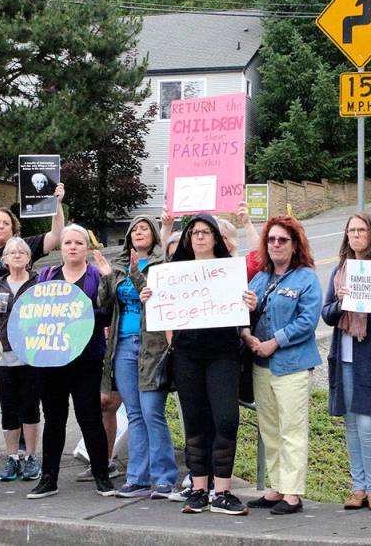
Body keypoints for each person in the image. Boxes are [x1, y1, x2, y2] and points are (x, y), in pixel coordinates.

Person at [140, 213, 247, 516]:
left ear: (216, 237)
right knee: (195, 422)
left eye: (205, 232)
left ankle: (222, 491)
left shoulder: (229, 271)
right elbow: (160, 307)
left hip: (223, 354)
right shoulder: (172, 272)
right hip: (187, 355)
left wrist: (248, 303)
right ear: (188, 239)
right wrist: (150, 296)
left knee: (226, 420)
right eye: (194, 232)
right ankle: (199, 489)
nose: (199, 237)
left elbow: (243, 309)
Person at [0, 187, 64, 462]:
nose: (1, 226)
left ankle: (26, 449)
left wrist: (57, 204)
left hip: (23, 336)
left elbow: (56, 235)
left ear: (14, 230)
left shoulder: (24, 248)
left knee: (24, 397)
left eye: (6, 223)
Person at [320, 212, 371, 511]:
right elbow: (327, 314)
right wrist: (341, 303)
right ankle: (357, 487)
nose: (355, 235)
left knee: (369, 423)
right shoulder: (339, 271)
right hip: (344, 355)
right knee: (352, 424)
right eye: (351, 230)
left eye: (361, 230)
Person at [27, 224, 116, 499]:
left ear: (87, 248)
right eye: (68, 243)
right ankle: (48, 478)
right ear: (60, 248)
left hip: (85, 358)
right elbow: (32, 313)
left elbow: (107, 311)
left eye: (78, 242)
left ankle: (102, 475)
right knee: (54, 418)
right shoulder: (46, 275)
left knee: (89, 416)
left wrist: (107, 281)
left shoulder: (95, 275)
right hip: (51, 359)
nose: (73, 247)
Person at [242, 215, 322, 515]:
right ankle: (275, 487)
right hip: (260, 364)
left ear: (294, 245)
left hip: (292, 364)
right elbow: (244, 314)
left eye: (282, 240)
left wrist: (274, 342)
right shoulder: (259, 278)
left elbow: (307, 320)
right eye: (271, 240)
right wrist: (247, 334)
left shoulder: (306, 278)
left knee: (292, 429)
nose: (276, 244)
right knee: (270, 429)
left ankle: (292, 493)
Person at [99, 216, 177, 499]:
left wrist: (138, 275)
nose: (138, 232)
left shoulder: (161, 266)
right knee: (134, 415)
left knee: (152, 412)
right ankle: (137, 478)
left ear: (155, 236)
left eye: (144, 228)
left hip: (152, 346)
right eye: (135, 229)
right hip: (123, 346)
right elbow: (104, 305)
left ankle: (165, 478)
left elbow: (169, 299)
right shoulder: (117, 267)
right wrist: (107, 277)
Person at [0, 237, 42, 483]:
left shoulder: (38, 281)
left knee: (30, 406)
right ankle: (12, 457)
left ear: (29, 258)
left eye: (22, 251)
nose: (18, 254)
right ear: (5, 259)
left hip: (30, 354)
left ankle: (31, 456)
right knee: (7, 408)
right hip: (3, 354)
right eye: (12, 252)